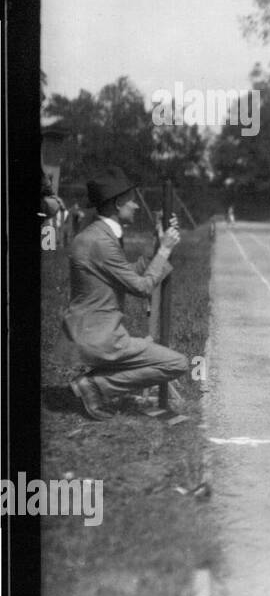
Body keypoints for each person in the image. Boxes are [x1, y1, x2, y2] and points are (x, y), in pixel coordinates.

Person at [63, 166, 188, 420]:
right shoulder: (100, 242)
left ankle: (94, 384)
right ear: (118, 202)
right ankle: (95, 386)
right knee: (178, 364)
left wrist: (158, 242)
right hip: (99, 339)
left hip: (88, 332)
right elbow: (141, 287)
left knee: (158, 356)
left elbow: (127, 273)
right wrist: (164, 251)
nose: (137, 206)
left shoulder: (97, 235)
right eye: (132, 200)